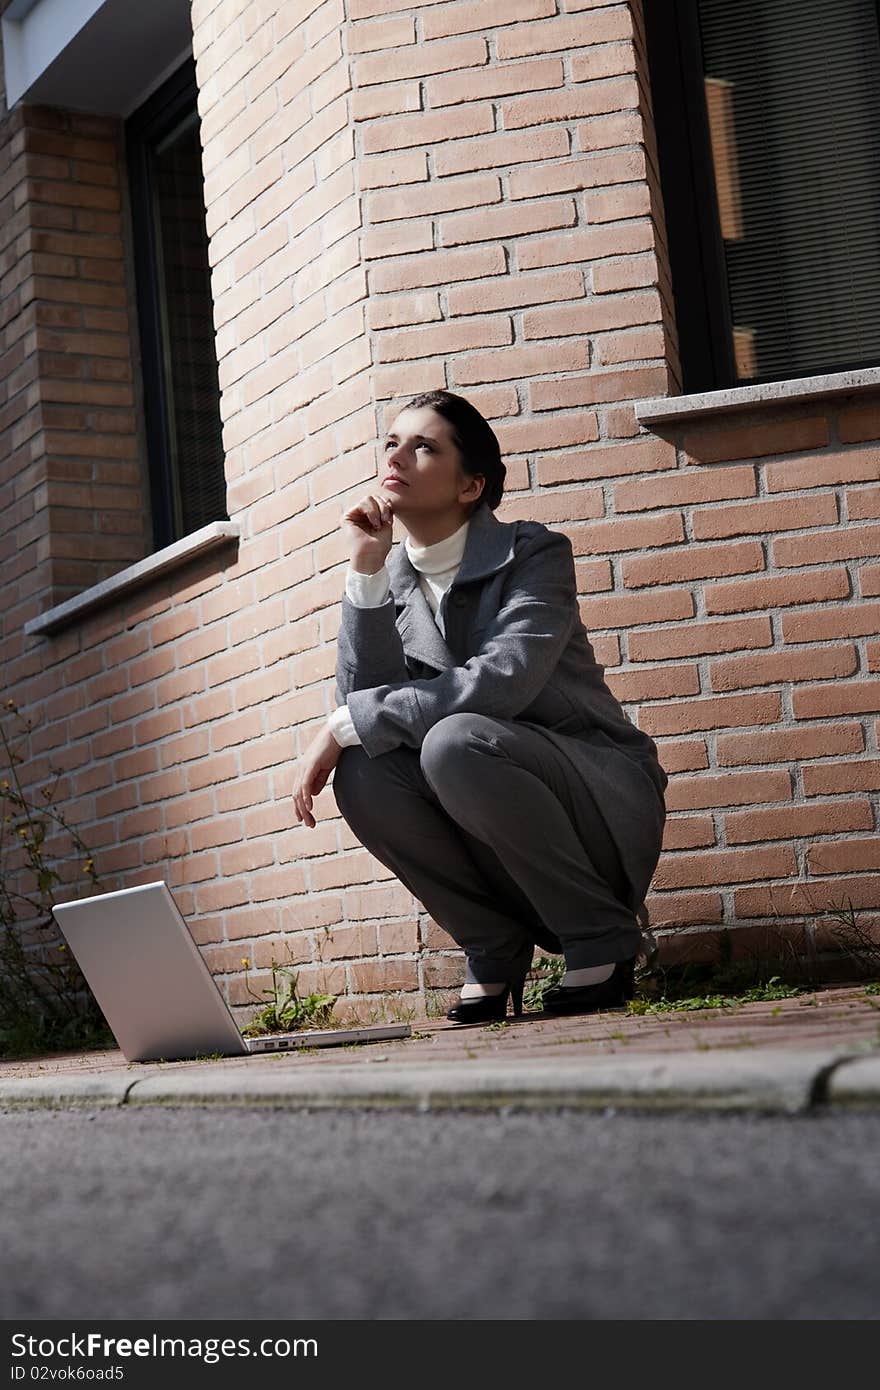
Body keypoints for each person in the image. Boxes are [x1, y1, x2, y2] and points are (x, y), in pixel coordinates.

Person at [291, 390, 668, 1024]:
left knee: (454, 739)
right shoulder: (397, 579)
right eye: (392, 442)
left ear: (471, 486)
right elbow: (362, 701)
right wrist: (365, 569)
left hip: (592, 797)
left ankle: (600, 936)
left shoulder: (534, 555)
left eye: (425, 446)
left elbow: (504, 682)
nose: (397, 456)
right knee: (364, 770)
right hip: (487, 811)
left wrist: (345, 724)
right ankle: (493, 948)